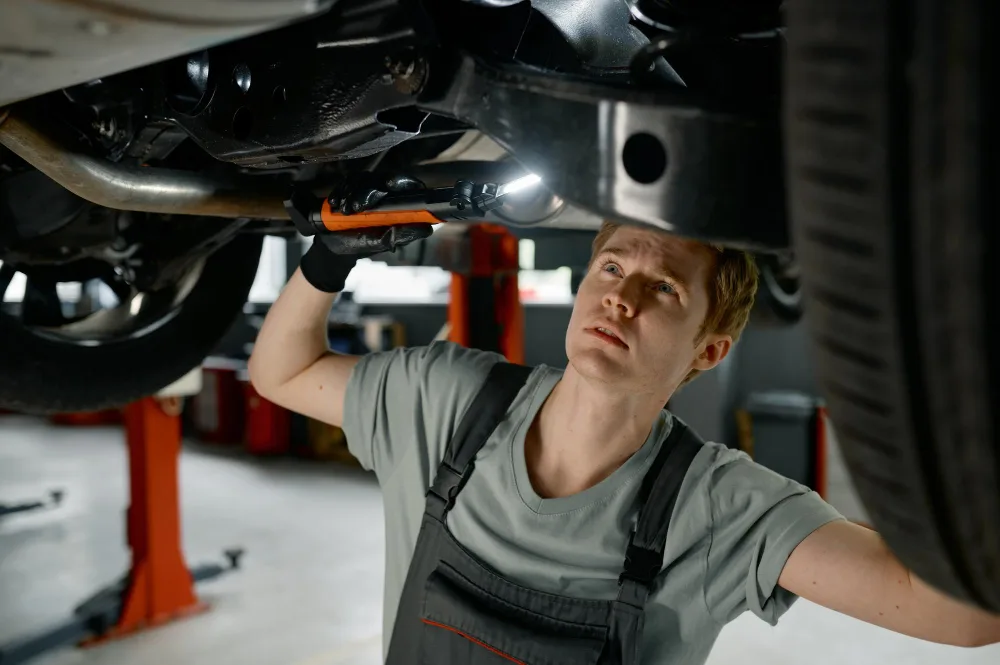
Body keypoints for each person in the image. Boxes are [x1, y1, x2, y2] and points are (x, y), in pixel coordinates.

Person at [249, 217, 1000, 664]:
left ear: (709, 350)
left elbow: (964, 615)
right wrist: (330, 251)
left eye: (664, 288)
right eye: (611, 265)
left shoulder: (720, 508)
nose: (622, 294)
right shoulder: (447, 401)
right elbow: (282, 370)